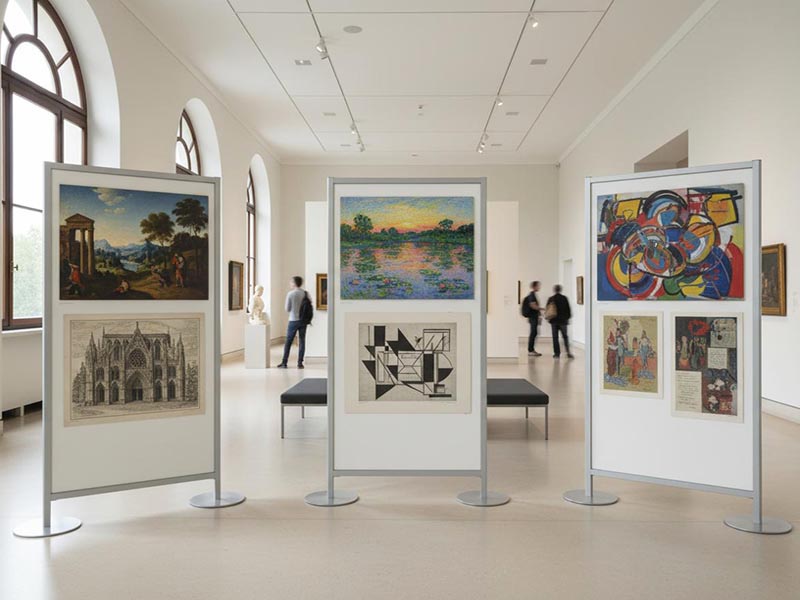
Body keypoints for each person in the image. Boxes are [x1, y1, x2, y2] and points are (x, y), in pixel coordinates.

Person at [277, 276, 309, 369]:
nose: (290, 284)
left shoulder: (290, 294)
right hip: (303, 320)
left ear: (294, 283)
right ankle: (300, 363)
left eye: (291, 282)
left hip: (293, 320)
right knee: (302, 341)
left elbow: (287, 308)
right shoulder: (305, 293)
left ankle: (284, 362)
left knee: (288, 342)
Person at [546, 284, 573, 359]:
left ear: (554, 290)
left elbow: (547, 309)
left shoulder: (551, 299)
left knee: (555, 338)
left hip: (554, 321)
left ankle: (556, 354)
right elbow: (568, 309)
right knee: (565, 337)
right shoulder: (564, 298)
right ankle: (568, 352)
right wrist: (567, 318)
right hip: (563, 321)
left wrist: (549, 319)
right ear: (560, 290)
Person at [522, 281, 542, 356]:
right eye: (538, 286)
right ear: (534, 286)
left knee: (534, 332)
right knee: (533, 332)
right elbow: (533, 305)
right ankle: (530, 350)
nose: (539, 287)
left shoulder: (532, 295)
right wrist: (542, 309)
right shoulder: (532, 295)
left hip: (533, 317)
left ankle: (531, 350)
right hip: (533, 317)